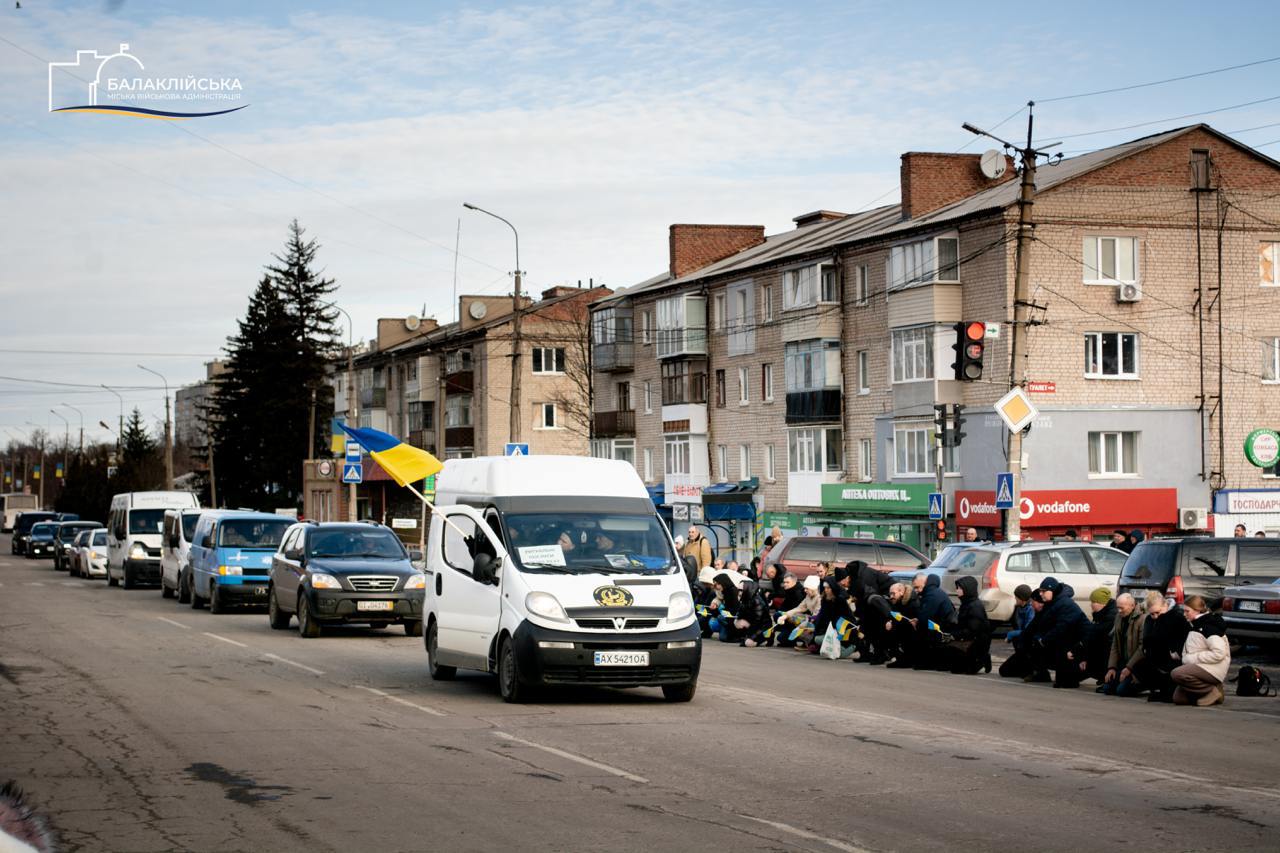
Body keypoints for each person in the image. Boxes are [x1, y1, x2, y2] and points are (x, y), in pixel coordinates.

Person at [1027, 577, 1089, 687]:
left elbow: (1062, 628)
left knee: (1065, 681)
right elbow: (1044, 624)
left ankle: (1079, 673)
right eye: (1040, 591)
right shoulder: (1052, 603)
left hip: (1079, 644)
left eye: (1043, 591)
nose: (1041, 594)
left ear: (1052, 590)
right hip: (1066, 642)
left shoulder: (1065, 604)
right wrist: (1039, 638)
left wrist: (1043, 640)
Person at [1172, 595, 1230, 706]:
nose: (1184, 614)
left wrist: (1191, 658)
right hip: (1201, 666)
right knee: (1179, 699)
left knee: (1176, 674)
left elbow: (1219, 653)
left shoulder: (1209, 626)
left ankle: (1213, 691)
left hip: (1213, 667)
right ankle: (1209, 693)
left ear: (1197, 610)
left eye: (1187, 611)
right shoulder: (1195, 624)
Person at [1134, 591, 1191, 703]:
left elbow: (1182, 638)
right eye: (1152, 614)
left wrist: (1174, 652)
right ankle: (1160, 690)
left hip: (1173, 659)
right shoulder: (1150, 620)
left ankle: (1168, 691)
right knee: (1138, 667)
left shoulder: (1176, 617)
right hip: (1157, 659)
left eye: (1158, 612)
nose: (1155, 616)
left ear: (1165, 606)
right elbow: (1147, 640)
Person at [939, 576, 991, 674]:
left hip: (977, 643)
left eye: (959, 588)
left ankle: (983, 658)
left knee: (963, 670)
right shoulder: (966, 603)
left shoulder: (975, 606)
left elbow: (973, 631)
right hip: (966, 639)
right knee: (952, 667)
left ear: (967, 589)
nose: (957, 590)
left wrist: (953, 636)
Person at [1100, 593, 1147, 697]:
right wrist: (1111, 667)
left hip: (1136, 666)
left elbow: (1142, 647)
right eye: (1118, 608)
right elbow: (1115, 644)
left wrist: (1129, 668)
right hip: (1123, 664)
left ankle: (1143, 685)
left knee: (1122, 691)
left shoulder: (1143, 619)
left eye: (1122, 608)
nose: (1119, 611)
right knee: (1107, 689)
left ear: (1132, 606)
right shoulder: (1118, 617)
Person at [911, 573, 957, 670]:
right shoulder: (933, 591)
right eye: (914, 588)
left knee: (920, 632)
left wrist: (918, 623)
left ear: (925, 582)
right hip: (943, 626)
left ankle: (925, 662)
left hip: (943, 629)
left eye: (917, 587)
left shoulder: (931, 594)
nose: (916, 591)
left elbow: (926, 617)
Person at [1072, 587, 1116, 685]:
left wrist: (1082, 655)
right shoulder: (1101, 614)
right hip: (1097, 655)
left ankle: (1103, 676)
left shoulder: (1110, 617)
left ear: (1102, 603)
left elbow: (1094, 638)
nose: (1091, 605)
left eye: (1093, 602)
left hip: (1105, 657)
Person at [1000, 590, 1046, 678]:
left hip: (1031, 647)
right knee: (1003, 671)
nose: (1015, 599)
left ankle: (1034, 670)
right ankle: (1025, 669)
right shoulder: (1018, 608)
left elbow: (1028, 631)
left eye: (1016, 597)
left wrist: (1011, 634)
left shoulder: (1031, 610)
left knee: (1020, 639)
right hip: (1024, 646)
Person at [811, 578, 857, 657]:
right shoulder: (824, 600)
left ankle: (853, 647)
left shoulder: (840, 600)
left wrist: (835, 625)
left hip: (842, 630)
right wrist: (816, 630)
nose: (826, 590)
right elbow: (822, 616)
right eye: (825, 588)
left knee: (838, 654)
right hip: (830, 629)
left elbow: (848, 617)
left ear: (833, 588)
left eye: (828, 588)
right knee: (817, 639)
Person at [883, 582, 922, 667]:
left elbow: (910, 620)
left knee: (897, 632)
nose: (891, 596)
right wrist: (889, 621)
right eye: (890, 594)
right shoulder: (897, 601)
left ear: (901, 591)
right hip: (904, 627)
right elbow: (894, 614)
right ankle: (900, 658)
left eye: (893, 594)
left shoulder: (913, 602)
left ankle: (905, 660)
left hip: (912, 630)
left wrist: (893, 624)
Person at [778, 574, 822, 648]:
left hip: (817, 621)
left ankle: (808, 642)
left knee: (801, 625)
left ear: (813, 588)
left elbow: (816, 615)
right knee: (793, 618)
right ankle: (805, 641)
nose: (805, 590)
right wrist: (786, 615)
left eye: (807, 588)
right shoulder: (808, 596)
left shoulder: (819, 598)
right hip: (810, 619)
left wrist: (805, 623)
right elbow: (799, 608)